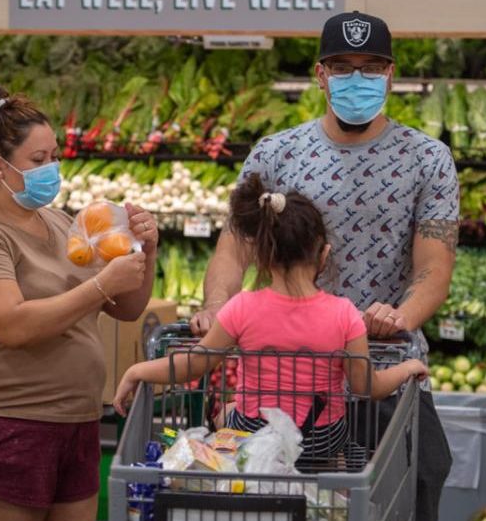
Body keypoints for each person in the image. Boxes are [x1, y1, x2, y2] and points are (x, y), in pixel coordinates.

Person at [189, 11, 459, 521]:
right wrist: (215, 308)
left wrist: (399, 317)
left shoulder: (428, 158)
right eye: (343, 67)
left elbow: (434, 268)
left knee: (415, 489)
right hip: (282, 379)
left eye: (370, 67)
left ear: (390, 75)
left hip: (379, 369)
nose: (356, 78)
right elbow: (234, 246)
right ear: (319, 74)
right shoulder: (276, 153)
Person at [0, 82, 159, 521]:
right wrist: (101, 284)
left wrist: (146, 250)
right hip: (6, 427)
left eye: (55, 155)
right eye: (38, 160)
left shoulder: (60, 223)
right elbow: (13, 325)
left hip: (77, 424)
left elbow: (127, 307)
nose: (52, 169)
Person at [113, 174, 428, 460]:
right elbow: (366, 386)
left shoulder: (243, 307)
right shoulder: (345, 315)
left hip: (254, 433)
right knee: (336, 446)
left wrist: (137, 371)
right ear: (324, 255)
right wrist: (407, 368)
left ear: (262, 256)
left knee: (230, 412)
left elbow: (195, 363)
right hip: (320, 440)